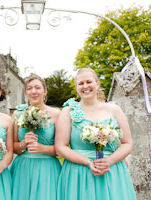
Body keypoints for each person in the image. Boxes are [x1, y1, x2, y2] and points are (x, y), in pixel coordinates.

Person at [55, 68, 137, 199]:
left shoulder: (114, 109)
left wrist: (110, 160)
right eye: (81, 83)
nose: (85, 86)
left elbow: (127, 143)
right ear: (76, 87)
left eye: (89, 82)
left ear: (97, 84)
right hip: (79, 173)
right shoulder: (68, 111)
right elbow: (60, 147)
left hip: (111, 171)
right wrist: (87, 162)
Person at [11, 75, 62, 200]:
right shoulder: (18, 114)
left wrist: (42, 148)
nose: (33, 91)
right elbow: (12, 147)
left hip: (48, 168)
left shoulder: (56, 114)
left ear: (45, 91)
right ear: (26, 93)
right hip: (22, 168)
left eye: (37, 88)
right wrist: (23, 144)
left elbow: (63, 148)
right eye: (29, 88)